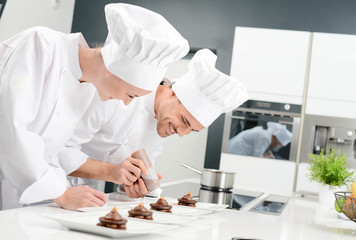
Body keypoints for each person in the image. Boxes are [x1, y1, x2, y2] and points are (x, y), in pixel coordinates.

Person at [0, 3, 189, 210]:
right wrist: (61, 194)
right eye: (130, 95)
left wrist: (64, 193)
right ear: (112, 70)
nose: (126, 103)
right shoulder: (40, 44)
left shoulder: (87, 88)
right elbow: (11, 131)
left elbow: (50, 153)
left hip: (23, 198)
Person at [59, 48, 249, 198]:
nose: (181, 133)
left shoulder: (163, 127)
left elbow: (126, 179)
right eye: (184, 120)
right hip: (51, 188)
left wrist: (133, 187)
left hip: (88, 197)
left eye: (192, 130)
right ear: (173, 93)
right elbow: (60, 150)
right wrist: (111, 172)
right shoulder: (118, 93)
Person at [228, 122, 292, 158]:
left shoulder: (264, 132)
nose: (276, 146)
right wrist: (267, 157)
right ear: (275, 138)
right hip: (235, 152)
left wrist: (264, 155)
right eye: (279, 144)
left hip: (233, 149)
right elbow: (256, 159)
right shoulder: (265, 137)